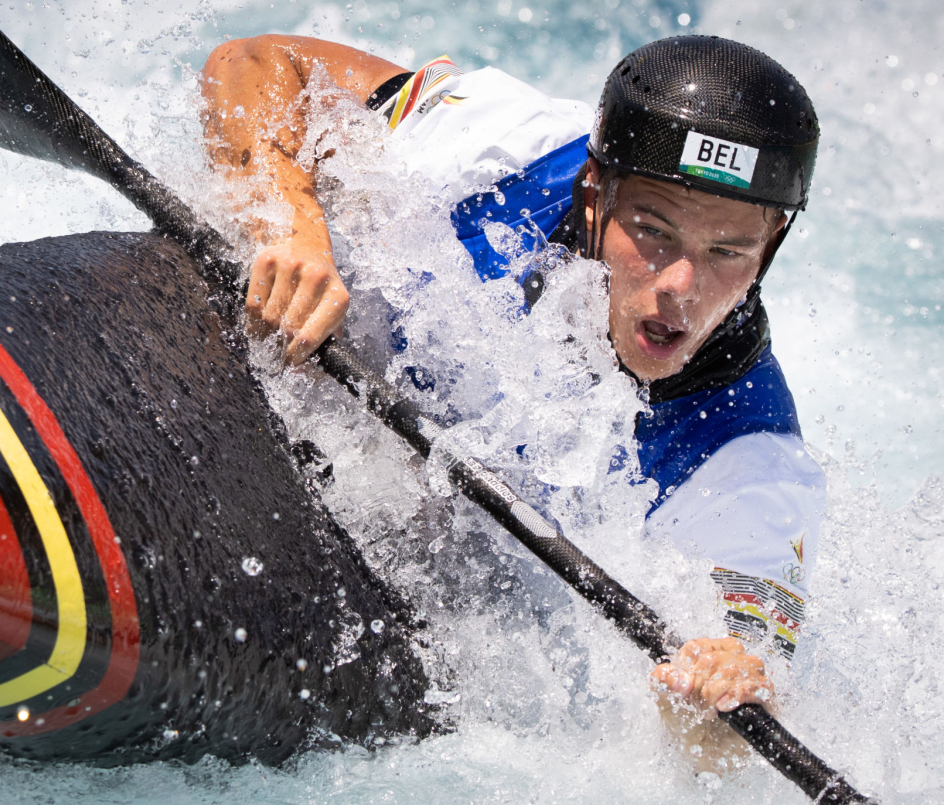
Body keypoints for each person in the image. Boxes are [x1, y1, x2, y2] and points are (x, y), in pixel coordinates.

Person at [200, 34, 823, 764]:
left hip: (457, 619)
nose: (681, 286)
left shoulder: (752, 458)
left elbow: (733, 721)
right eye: (653, 231)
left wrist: (713, 699)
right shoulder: (504, 148)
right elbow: (256, 62)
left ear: (771, 244)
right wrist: (288, 218)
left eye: (728, 252)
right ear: (595, 195)